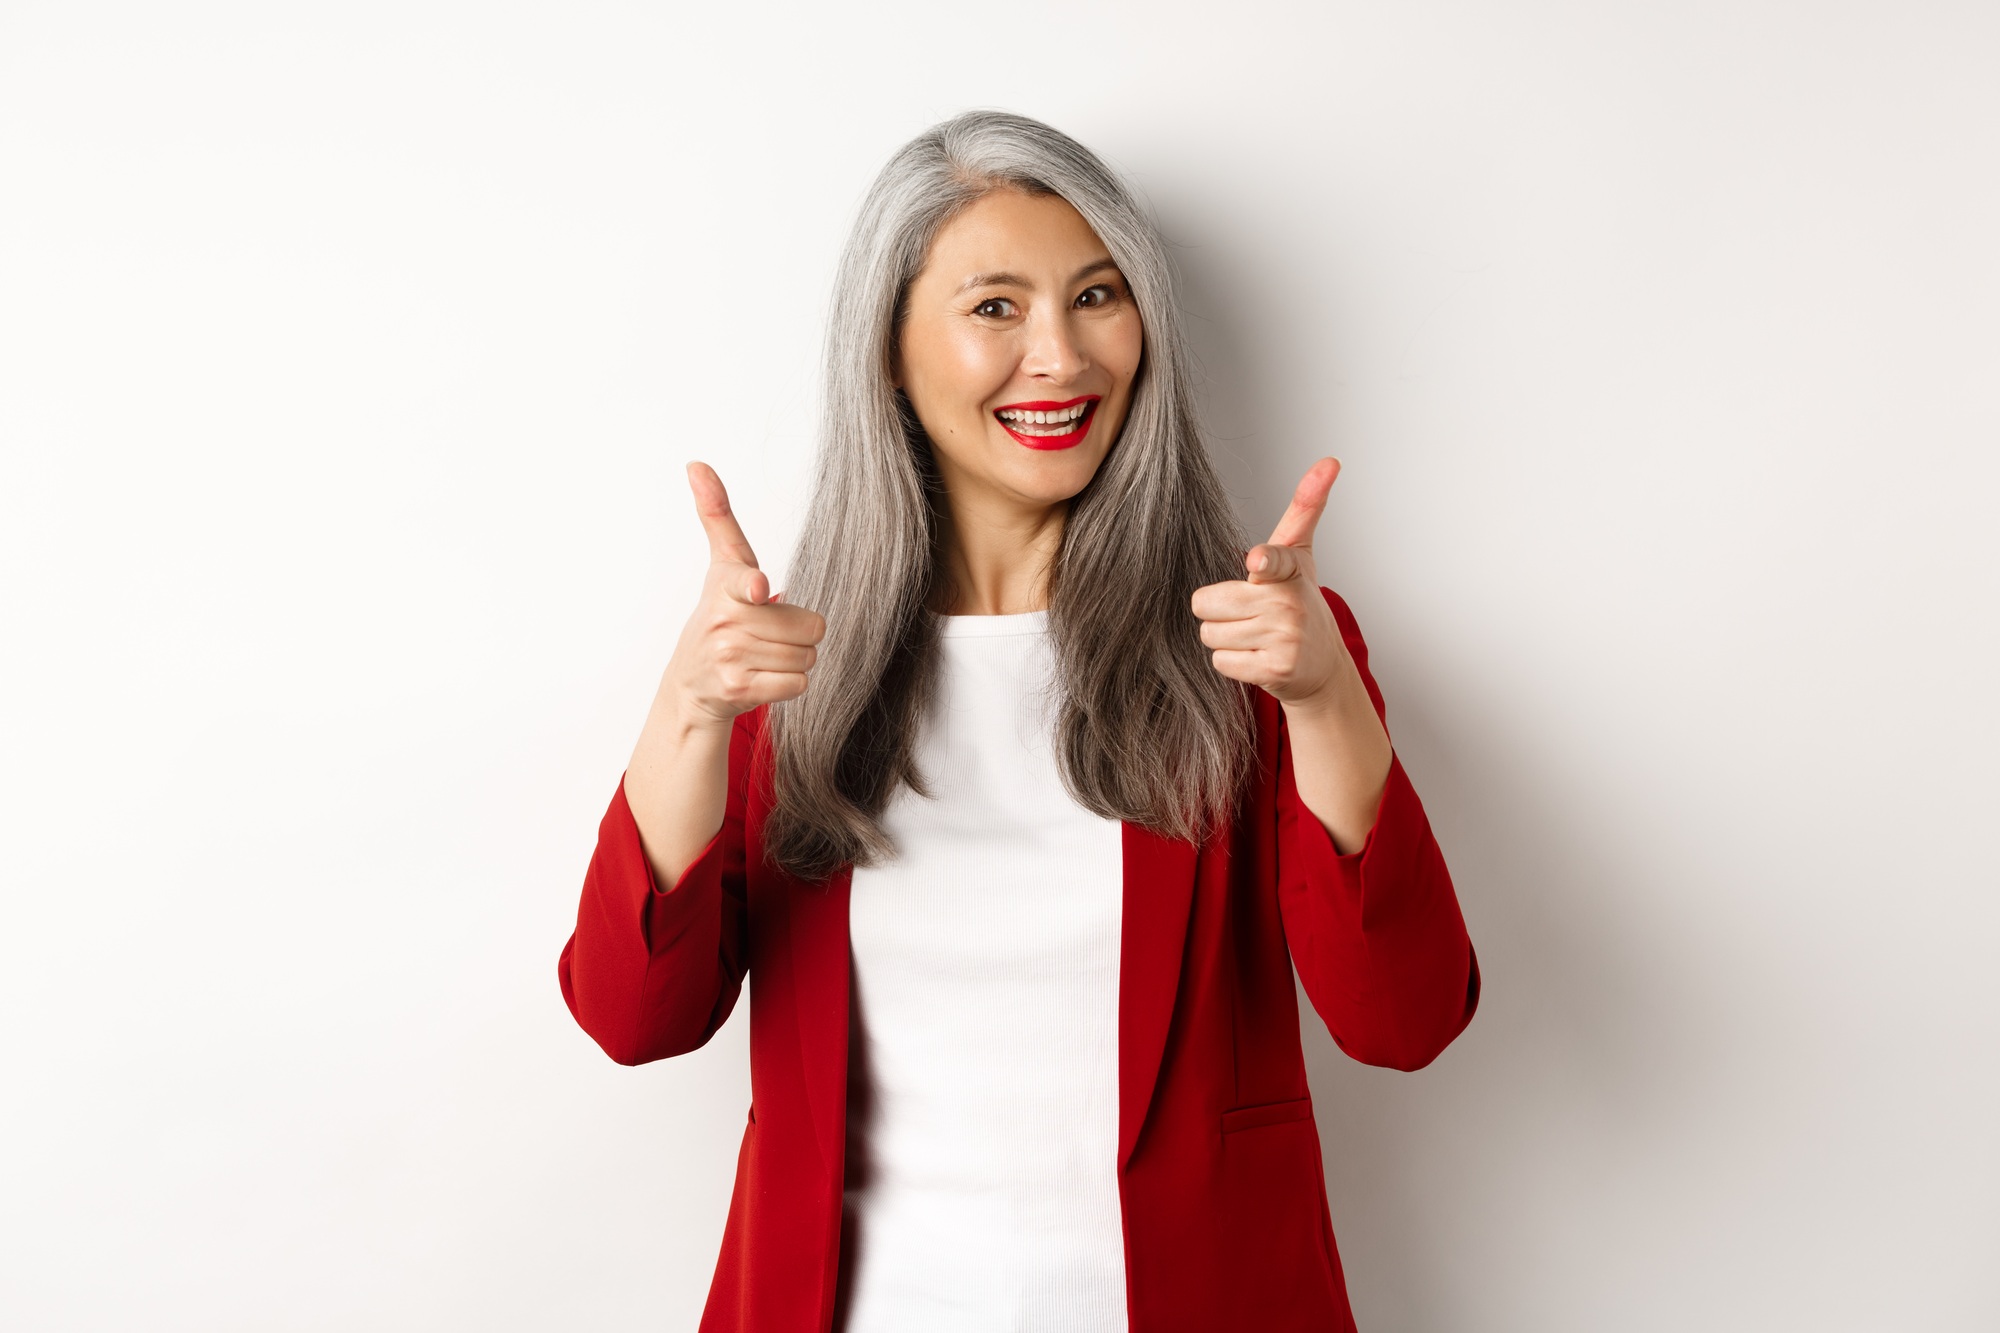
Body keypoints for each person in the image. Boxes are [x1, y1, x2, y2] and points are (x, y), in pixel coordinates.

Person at [558, 110, 1479, 1333]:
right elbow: (635, 1019)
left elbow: (1403, 1020)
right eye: (994, 307)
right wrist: (686, 710)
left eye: (1096, 296)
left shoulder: (1256, 644)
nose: (1060, 355)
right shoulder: (779, 675)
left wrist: (1320, 697)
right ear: (888, 350)